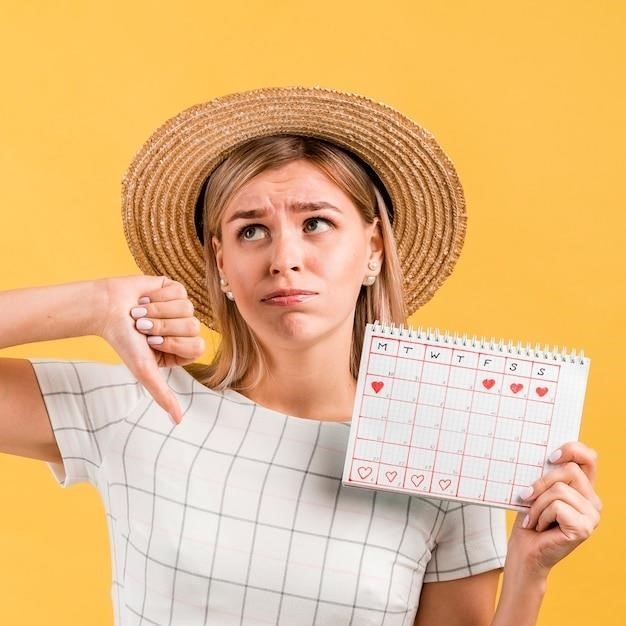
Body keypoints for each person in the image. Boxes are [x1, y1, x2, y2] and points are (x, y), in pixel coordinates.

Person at [0, 87, 600, 625]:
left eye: (315, 222)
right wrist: (93, 303)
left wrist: (529, 574)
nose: (284, 257)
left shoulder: (441, 456)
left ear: (374, 251)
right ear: (221, 266)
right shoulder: (137, 404)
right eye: (251, 231)